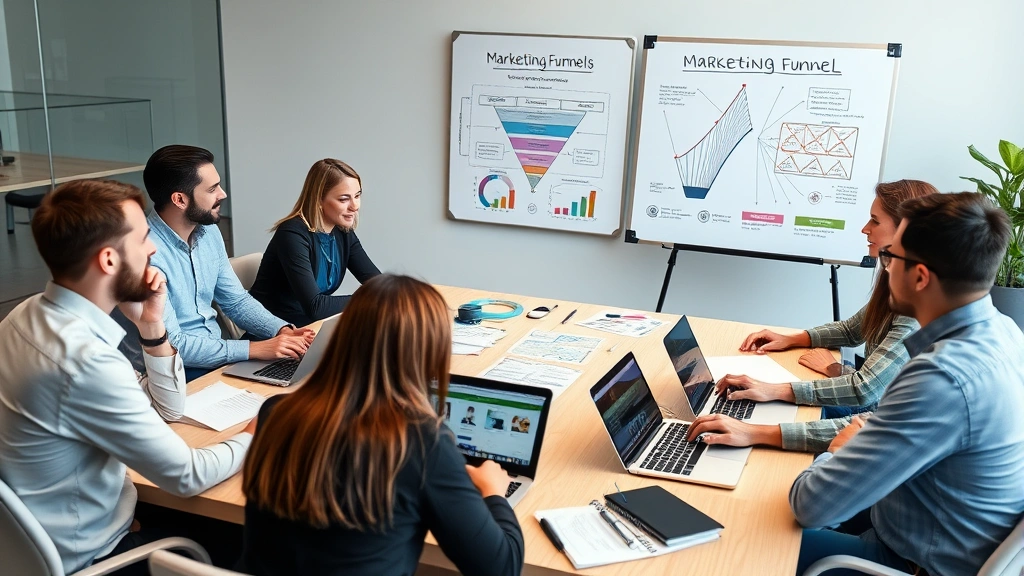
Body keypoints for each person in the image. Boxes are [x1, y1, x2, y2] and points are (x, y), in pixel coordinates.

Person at [0, 180, 254, 574]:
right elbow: (187, 476)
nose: (153, 249)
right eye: (144, 239)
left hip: (50, 540)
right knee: (260, 539)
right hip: (99, 558)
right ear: (108, 260)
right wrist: (258, 433)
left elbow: (170, 409)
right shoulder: (86, 361)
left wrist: (152, 327)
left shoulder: (23, 317)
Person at [789, 192, 1024, 575]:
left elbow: (811, 505)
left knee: (739, 535)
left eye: (890, 257)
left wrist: (837, 450)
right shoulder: (1007, 333)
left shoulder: (942, 377)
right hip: (919, 526)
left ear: (919, 277)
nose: (884, 267)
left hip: (906, 562)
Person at [239, 275, 524, 576]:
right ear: (429, 355)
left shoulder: (275, 413)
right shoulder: (423, 443)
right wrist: (494, 491)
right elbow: (502, 568)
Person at [686, 180, 938, 452]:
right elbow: (854, 330)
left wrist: (767, 406)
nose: (865, 229)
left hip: (877, 421)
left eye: (875, 221)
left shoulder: (917, 305)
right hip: (872, 409)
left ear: (905, 231)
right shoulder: (894, 278)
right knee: (748, 409)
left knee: (755, 425)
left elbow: (866, 393)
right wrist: (792, 339)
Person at [143, 145, 313, 380]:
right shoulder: (144, 253)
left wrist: (282, 330)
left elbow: (236, 302)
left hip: (219, 359)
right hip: (177, 373)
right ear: (180, 199)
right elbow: (173, 344)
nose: (222, 194)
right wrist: (255, 349)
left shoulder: (208, 233)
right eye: (212, 189)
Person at [250, 159, 381, 327]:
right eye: (344, 199)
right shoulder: (292, 234)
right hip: (277, 332)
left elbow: (377, 283)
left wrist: (398, 291)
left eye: (357, 196)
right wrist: (369, 297)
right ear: (319, 200)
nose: (355, 206)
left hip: (312, 327)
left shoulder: (343, 232)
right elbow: (316, 307)